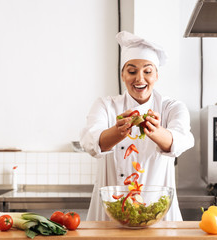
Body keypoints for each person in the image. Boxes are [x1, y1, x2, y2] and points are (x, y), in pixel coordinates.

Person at [80, 31, 194, 221]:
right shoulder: (105, 106)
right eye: (132, 71)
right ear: (123, 75)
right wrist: (118, 131)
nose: (140, 79)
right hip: (111, 212)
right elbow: (91, 142)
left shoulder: (171, 107)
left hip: (159, 212)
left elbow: (180, 141)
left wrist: (155, 131)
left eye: (147, 71)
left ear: (156, 75)